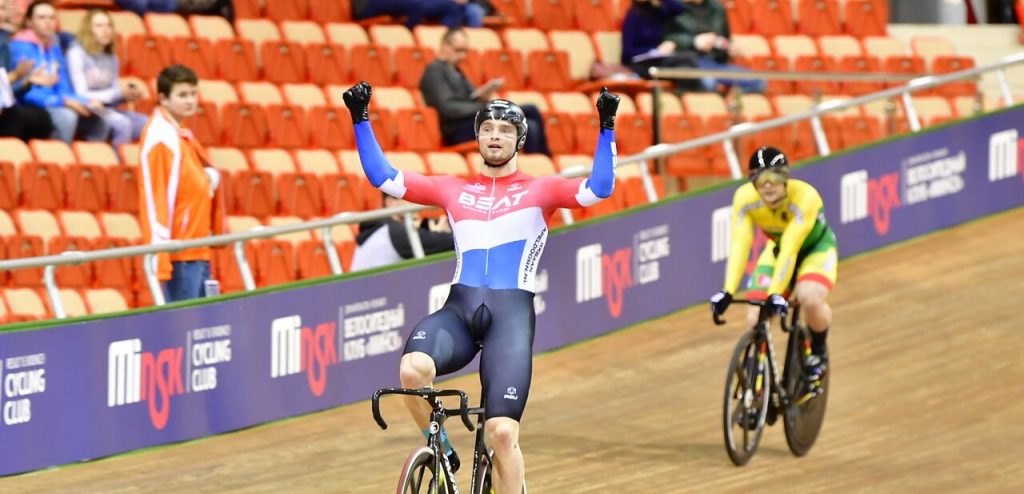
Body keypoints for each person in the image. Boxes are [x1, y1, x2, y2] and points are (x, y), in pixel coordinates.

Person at [343, 80, 619, 493]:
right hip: (460, 309)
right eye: (488, 128)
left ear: (519, 141)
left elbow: (600, 188)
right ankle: (441, 451)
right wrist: (361, 119)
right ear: (477, 137)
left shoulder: (540, 189)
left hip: (510, 318)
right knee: (411, 369)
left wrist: (607, 128)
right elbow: (384, 177)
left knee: (503, 435)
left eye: (506, 130)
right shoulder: (453, 189)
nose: (495, 136)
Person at [709, 146, 837, 394]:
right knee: (754, 316)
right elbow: (740, 246)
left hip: (815, 250)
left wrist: (776, 294)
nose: (768, 185)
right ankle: (757, 369)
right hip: (777, 249)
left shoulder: (806, 197)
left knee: (809, 297)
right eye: (760, 178)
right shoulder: (745, 199)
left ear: (786, 177)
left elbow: (791, 249)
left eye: (775, 177)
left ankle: (818, 353)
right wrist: (728, 290)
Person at [137, 64, 225, 303]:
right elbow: (155, 196)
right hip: (180, 252)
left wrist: (208, 178)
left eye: (193, 94)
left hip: (196, 245)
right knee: (184, 329)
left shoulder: (180, 133)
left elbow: (192, 180)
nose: (190, 101)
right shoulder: (161, 137)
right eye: (182, 95)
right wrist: (161, 253)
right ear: (163, 99)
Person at [420, 27, 550, 156]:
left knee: (531, 113)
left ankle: (546, 163)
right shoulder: (435, 70)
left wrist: (482, 98)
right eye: (458, 50)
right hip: (459, 130)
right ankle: (542, 167)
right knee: (530, 125)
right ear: (445, 46)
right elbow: (448, 108)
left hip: (475, 122)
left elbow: (471, 98)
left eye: (465, 51)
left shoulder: (456, 70)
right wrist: (482, 107)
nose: (462, 56)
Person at [8, 0, 109, 143]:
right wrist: (62, 101)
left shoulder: (54, 48)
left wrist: (86, 101)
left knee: (99, 119)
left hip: (57, 102)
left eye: (52, 18)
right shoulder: (19, 46)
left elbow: (63, 87)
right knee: (67, 117)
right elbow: (25, 91)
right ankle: (59, 159)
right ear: (29, 22)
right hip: (32, 104)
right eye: (42, 18)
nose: (48, 22)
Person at [66, 9, 148, 147]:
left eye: (108, 25)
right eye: (99, 26)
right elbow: (81, 94)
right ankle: (119, 164)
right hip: (84, 109)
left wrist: (124, 96)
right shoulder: (76, 54)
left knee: (147, 123)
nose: (105, 30)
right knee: (123, 124)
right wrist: (116, 93)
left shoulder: (112, 57)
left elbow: (112, 95)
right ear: (88, 30)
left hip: (105, 108)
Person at [664, 0, 765, 93]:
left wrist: (730, 48)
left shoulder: (717, 8)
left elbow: (725, 36)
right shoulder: (674, 7)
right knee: (709, 83)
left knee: (758, 80)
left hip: (716, 61)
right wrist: (693, 42)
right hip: (689, 62)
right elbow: (665, 40)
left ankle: (728, 105)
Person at [350, 193, 455, 271]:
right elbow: (448, 243)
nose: (416, 204)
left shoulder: (382, 229)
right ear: (390, 203)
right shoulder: (392, 232)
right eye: (410, 199)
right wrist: (443, 234)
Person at [620, 0, 701, 91]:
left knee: (685, 70)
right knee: (689, 57)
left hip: (659, 60)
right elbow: (627, 52)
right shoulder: (632, 16)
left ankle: (685, 100)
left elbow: (679, 9)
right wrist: (652, 51)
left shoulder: (655, 12)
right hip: (640, 64)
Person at [352, 0, 465, 29]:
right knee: (415, 6)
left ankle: (445, 40)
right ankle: (409, 36)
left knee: (452, 6)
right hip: (367, 5)